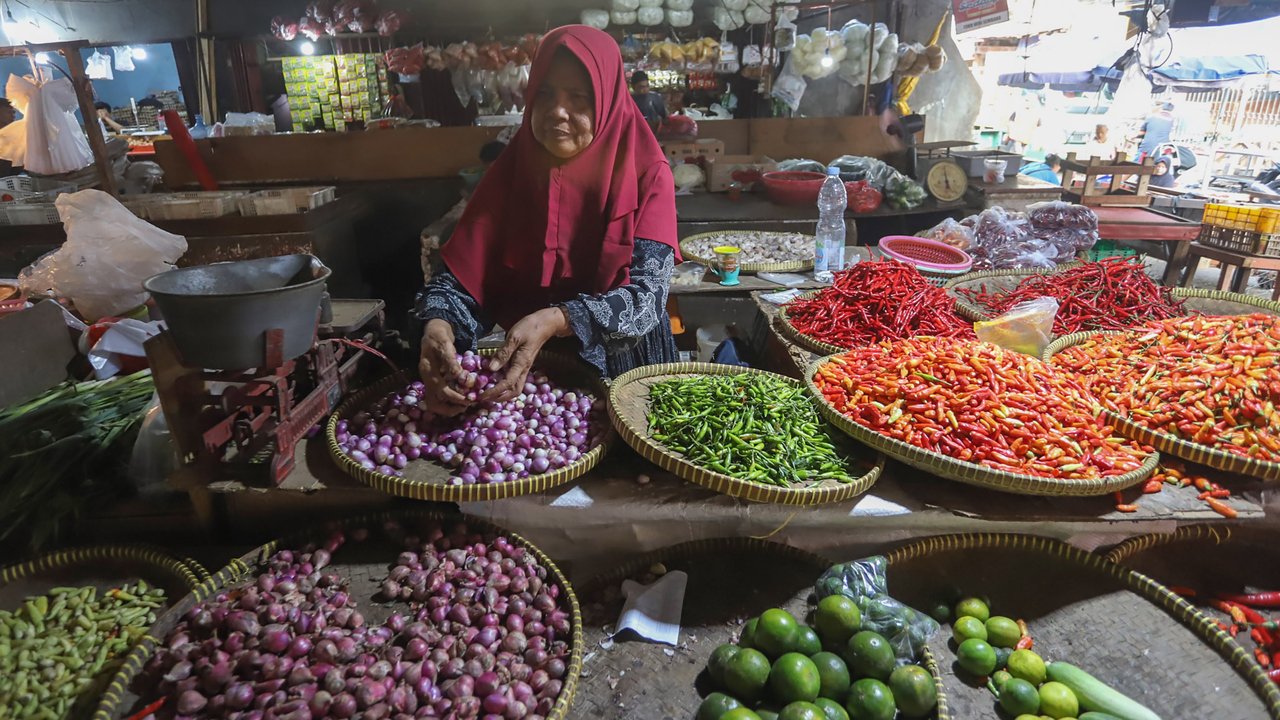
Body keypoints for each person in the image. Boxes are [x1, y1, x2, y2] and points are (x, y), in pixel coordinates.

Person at [416, 25, 680, 415]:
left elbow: (646, 301)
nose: (558, 111)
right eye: (545, 94)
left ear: (607, 100)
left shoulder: (647, 173)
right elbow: (461, 283)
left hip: (626, 370)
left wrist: (560, 319)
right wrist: (440, 323)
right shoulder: (511, 171)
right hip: (534, 379)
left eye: (579, 98)